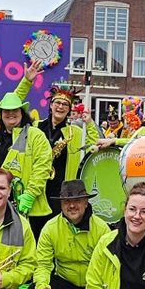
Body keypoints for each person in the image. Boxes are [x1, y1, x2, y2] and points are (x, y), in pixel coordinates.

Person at [31, 179, 108, 289]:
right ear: (61, 204)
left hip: (94, 282)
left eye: (77, 201)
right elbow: (42, 265)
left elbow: (108, 268)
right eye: (67, 201)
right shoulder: (50, 228)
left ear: (86, 202)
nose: (72, 206)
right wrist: (43, 287)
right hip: (66, 279)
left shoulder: (102, 229)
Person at [0, 92, 52, 237]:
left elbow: (42, 168)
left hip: (26, 209)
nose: (11, 114)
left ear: (22, 113)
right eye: (6, 111)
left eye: (15, 110)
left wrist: (30, 195)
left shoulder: (35, 135)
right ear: (1, 114)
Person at [37, 85, 98, 219]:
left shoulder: (75, 132)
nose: (61, 107)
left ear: (69, 110)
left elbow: (93, 145)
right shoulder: (36, 127)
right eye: (57, 102)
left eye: (65, 104)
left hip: (60, 191)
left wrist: (89, 123)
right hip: (37, 188)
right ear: (51, 105)